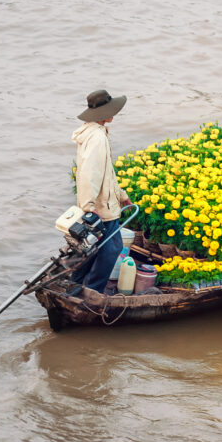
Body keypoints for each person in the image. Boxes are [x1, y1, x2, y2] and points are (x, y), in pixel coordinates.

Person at [69, 89, 134, 293]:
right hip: (101, 206)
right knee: (111, 248)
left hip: (103, 201)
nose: (113, 113)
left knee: (97, 247)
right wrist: (88, 206)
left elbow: (107, 172)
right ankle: (92, 290)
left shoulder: (94, 132)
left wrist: (121, 195)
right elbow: (90, 173)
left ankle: (76, 283)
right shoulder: (97, 138)